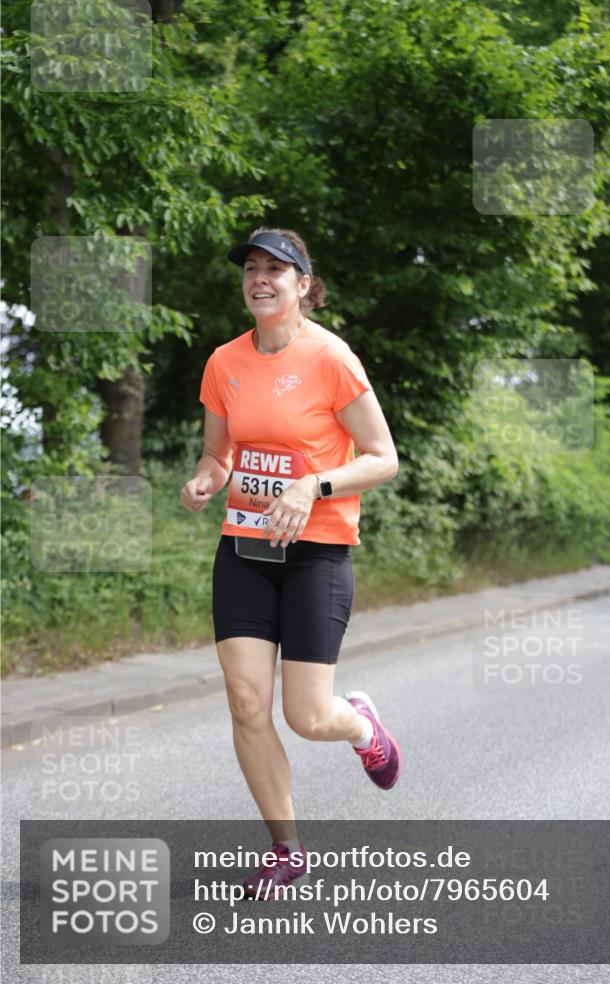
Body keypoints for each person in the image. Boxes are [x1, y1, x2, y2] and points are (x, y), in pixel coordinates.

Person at [180, 227, 402, 898]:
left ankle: (360, 723)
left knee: (308, 717)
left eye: (277, 269)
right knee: (247, 702)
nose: (261, 278)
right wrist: (205, 479)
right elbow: (219, 454)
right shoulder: (224, 362)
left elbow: (382, 457)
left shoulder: (330, 358)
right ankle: (286, 848)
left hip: (318, 553)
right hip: (245, 550)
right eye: (252, 267)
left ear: (304, 285)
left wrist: (313, 485)